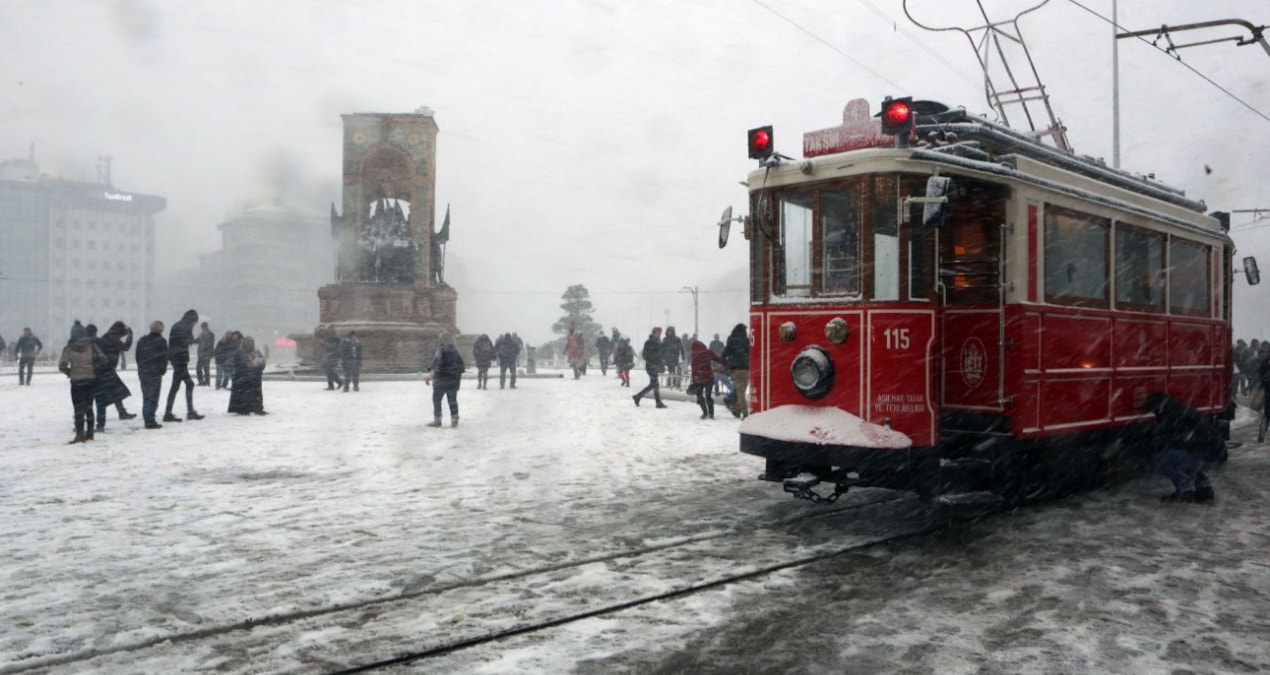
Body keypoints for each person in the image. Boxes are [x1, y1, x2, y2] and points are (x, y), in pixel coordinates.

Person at [1144, 393, 1225, 503]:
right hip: (1218, 455)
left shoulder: (1172, 417)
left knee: (1160, 459)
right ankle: (1204, 489)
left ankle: (1185, 490)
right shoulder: (1181, 410)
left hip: (1206, 455)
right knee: (1185, 458)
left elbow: (1176, 440)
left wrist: (1154, 444)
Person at [58, 322, 106, 444]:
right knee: (89, 407)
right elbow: (103, 359)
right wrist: (94, 369)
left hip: (76, 381)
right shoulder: (92, 346)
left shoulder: (69, 348)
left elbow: (62, 365)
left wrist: (70, 372)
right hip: (91, 379)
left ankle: (80, 433)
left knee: (78, 408)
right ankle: (90, 433)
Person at [91, 321, 136, 430]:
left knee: (115, 391)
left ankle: (121, 412)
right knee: (114, 391)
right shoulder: (113, 338)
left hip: (104, 368)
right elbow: (125, 347)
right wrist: (130, 336)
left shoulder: (108, 336)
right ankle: (120, 413)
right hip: (107, 369)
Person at [163, 309, 203, 422]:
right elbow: (185, 341)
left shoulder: (177, 325)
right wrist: (195, 341)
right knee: (188, 384)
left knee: (176, 386)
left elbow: (175, 341)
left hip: (176, 358)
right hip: (180, 358)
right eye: (195, 322)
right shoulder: (186, 326)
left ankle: (169, 412)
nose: (195, 324)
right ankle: (188, 412)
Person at [426, 331, 464, 427]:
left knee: (437, 400)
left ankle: (437, 419)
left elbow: (435, 365)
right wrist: (455, 375)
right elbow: (462, 368)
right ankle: (454, 417)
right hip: (453, 381)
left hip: (440, 380)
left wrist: (430, 375)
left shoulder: (440, 351)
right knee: (452, 400)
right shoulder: (456, 352)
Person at [135, 321, 168, 429]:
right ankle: (150, 419)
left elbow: (138, 356)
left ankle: (147, 418)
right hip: (154, 372)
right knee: (153, 396)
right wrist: (162, 369)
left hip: (144, 372)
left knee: (146, 396)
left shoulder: (142, 340)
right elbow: (163, 357)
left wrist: (142, 367)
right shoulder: (161, 341)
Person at [227, 336, 268, 415]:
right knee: (244, 394)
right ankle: (243, 409)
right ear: (245, 343)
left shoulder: (256, 351)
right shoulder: (239, 352)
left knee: (256, 393)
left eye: (252, 343)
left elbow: (261, 360)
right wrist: (248, 366)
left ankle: (257, 408)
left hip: (254, 376)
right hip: (242, 377)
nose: (251, 345)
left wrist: (260, 365)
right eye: (249, 343)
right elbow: (239, 364)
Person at [688, 337, 726, 419]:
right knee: (708, 395)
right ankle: (711, 414)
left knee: (700, 395)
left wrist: (694, 380)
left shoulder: (694, 355)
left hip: (699, 378)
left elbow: (693, 368)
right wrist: (725, 362)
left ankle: (704, 412)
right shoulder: (708, 352)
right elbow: (717, 359)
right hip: (709, 377)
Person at [722, 323, 751, 418]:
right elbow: (750, 353)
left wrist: (727, 366)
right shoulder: (746, 341)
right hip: (746, 369)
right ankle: (742, 412)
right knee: (741, 393)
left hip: (735, 370)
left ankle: (740, 411)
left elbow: (724, 355)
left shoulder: (731, 340)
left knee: (740, 393)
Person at [633, 326, 667, 408]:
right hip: (651, 366)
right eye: (657, 333)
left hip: (656, 365)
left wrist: (661, 362)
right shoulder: (649, 342)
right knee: (654, 384)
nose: (659, 334)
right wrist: (654, 359)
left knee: (654, 384)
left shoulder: (659, 342)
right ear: (653, 333)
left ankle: (638, 397)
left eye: (660, 333)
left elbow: (661, 355)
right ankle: (656, 402)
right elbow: (645, 355)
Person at [195, 321, 215, 386]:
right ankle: (201, 381)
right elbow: (197, 341)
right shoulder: (201, 334)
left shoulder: (210, 334)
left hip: (206, 354)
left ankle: (206, 381)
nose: (203, 329)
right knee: (199, 368)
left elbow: (209, 344)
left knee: (205, 369)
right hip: (201, 354)